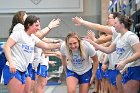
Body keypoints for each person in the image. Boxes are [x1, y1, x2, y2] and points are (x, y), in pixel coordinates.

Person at [3, 15, 61, 93]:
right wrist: (11, 63)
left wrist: (62, 44)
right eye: (36, 25)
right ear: (28, 25)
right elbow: (6, 46)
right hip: (14, 68)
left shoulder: (32, 37)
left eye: (39, 25)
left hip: (25, 69)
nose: (39, 28)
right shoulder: (18, 33)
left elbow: (47, 45)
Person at [84, 15, 140, 93]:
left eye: (115, 23)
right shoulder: (119, 37)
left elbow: (138, 53)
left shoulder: (131, 36)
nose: (113, 25)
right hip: (121, 69)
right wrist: (93, 43)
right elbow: (108, 50)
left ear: (122, 24)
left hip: (132, 68)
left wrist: (125, 62)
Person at [72, 12, 124, 93]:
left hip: (121, 67)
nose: (107, 21)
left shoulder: (119, 33)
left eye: (109, 18)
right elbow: (107, 48)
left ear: (116, 20)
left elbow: (99, 27)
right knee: (111, 86)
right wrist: (94, 43)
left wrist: (83, 22)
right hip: (113, 66)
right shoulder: (116, 35)